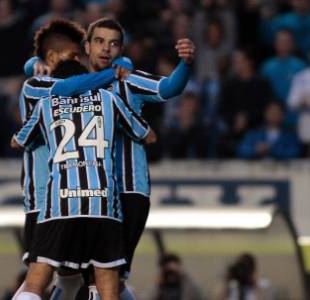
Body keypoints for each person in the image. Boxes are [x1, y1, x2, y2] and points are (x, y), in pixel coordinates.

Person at [25, 17, 194, 300]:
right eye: (100, 42)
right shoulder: (72, 83)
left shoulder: (130, 81)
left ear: (121, 49)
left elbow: (170, 88)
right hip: (87, 193)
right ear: (87, 47)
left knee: (103, 278)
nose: (106, 49)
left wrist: (186, 64)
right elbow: (46, 79)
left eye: (114, 44)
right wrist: (34, 65)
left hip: (128, 191)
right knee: (80, 277)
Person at [15, 19, 137, 300]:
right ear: (52, 58)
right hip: (45, 199)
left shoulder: (55, 88)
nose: (80, 60)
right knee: (41, 279)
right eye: (74, 55)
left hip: (65, 199)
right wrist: (117, 71)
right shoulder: (42, 85)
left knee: (71, 281)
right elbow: (69, 87)